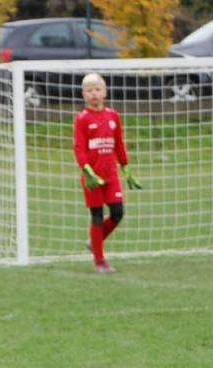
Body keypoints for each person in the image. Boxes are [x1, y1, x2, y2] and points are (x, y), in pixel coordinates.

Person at [74, 72, 142, 274]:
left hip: (111, 176)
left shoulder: (113, 116)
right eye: (89, 90)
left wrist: (126, 167)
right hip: (92, 178)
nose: (94, 93)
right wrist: (87, 171)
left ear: (105, 92)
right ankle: (100, 261)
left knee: (118, 213)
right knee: (96, 216)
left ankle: (95, 241)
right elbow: (79, 148)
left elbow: (119, 144)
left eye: (97, 89)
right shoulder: (82, 119)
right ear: (83, 94)